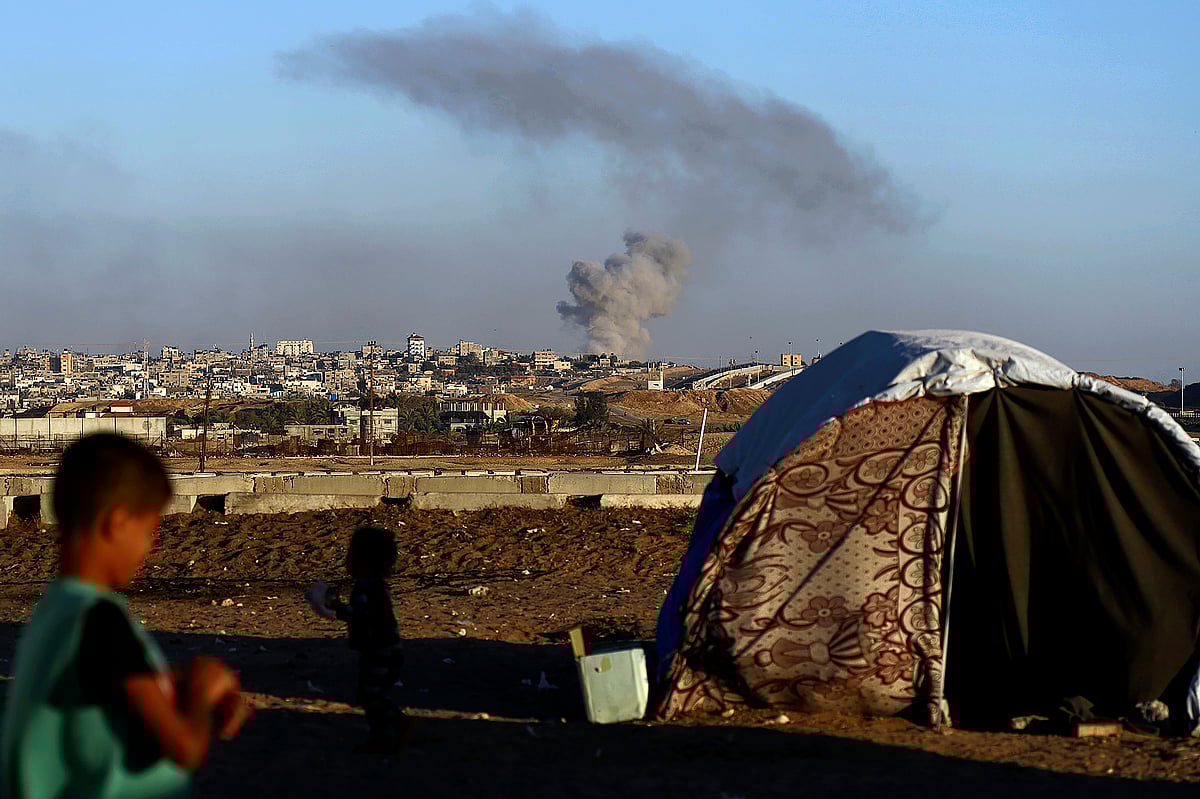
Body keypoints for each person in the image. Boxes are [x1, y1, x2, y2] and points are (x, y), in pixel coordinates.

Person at [0, 434, 250, 799]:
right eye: (149, 531)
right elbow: (185, 749)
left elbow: (106, 685)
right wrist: (200, 691)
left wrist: (176, 688)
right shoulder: (101, 620)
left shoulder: (55, 609)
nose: (152, 547)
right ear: (117, 523)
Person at [306, 526, 409, 752]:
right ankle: (388, 731)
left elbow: (363, 616)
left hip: (380, 651)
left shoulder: (367, 587)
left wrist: (336, 607)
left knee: (370, 695)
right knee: (373, 694)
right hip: (384, 650)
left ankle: (390, 731)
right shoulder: (375, 585)